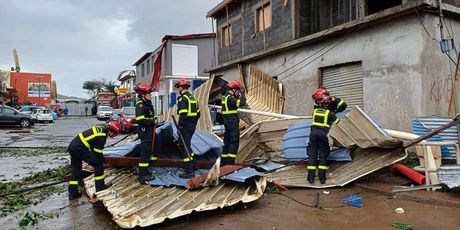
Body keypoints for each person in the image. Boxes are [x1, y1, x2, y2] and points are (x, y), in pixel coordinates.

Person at [67, 121, 122, 200]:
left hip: (73, 147)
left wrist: (98, 158)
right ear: (111, 130)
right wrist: (101, 161)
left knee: (76, 170)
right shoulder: (102, 136)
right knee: (98, 165)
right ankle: (100, 187)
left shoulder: (100, 129)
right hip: (79, 149)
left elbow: (94, 147)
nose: (114, 136)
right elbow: (97, 152)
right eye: (115, 133)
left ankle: (72, 193)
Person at [307, 94, 339, 184]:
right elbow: (337, 122)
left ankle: (311, 178)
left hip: (313, 135)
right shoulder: (330, 114)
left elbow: (316, 106)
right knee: (322, 156)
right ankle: (322, 179)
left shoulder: (315, 112)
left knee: (312, 156)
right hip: (323, 136)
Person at [175, 78, 200, 179]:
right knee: (188, 146)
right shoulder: (192, 98)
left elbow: (183, 115)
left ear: (181, 88)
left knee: (184, 147)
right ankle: (193, 166)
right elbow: (198, 114)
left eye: (178, 87)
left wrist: (180, 127)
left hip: (184, 127)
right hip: (191, 126)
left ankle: (189, 171)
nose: (178, 89)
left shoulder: (183, 99)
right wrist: (193, 123)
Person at [134, 83, 156, 183]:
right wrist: (153, 121)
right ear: (143, 94)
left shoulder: (147, 103)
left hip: (149, 130)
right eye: (149, 93)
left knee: (148, 152)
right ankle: (143, 175)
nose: (150, 95)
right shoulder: (140, 104)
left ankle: (145, 171)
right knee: (145, 152)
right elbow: (140, 119)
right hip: (145, 131)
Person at [220, 80, 246, 166]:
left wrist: (237, 96)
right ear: (234, 90)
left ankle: (223, 164)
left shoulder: (225, 97)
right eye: (237, 90)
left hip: (227, 123)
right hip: (232, 123)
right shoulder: (230, 98)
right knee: (234, 143)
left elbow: (233, 105)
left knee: (227, 143)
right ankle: (230, 164)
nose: (238, 92)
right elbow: (242, 103)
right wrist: (242, 93)